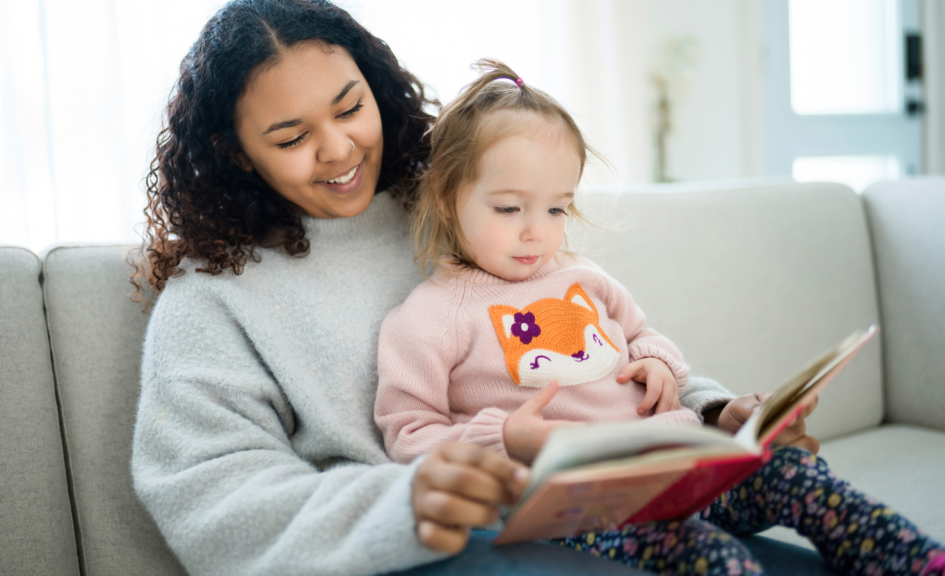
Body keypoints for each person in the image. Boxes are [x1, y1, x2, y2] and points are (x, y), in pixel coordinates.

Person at [129, 1, 856, 575]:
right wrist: (403, 504)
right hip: (424, 548)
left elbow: (594, 344)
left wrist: (716, 410)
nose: (340, 149)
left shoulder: (463, 207)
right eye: (291, 138)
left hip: (598, 500)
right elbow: (209, 502)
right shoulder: (213, 294)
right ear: (235, 151)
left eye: (351, 108)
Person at [373, 60, 945, 576]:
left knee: (797, 474)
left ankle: (915, 563)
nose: (537, 231)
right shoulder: (426, 319)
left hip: (678, 462)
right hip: (584, 507)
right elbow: (406, 435)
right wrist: (503, 437)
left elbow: (640, 333)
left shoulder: (581, 276)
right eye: (509, 208)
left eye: (556, 208)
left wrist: (655, 363)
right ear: (447, 197)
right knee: (709, 557)